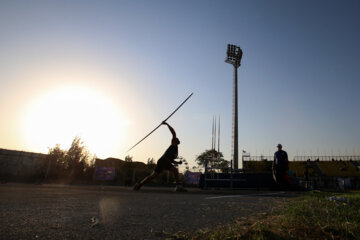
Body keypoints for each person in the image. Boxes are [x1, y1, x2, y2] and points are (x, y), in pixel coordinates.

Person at [133, 121, 187, 192]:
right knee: (154, 176)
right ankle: (139, 185)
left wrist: (178, 162)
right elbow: (173, 133)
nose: (178, 139)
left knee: (172, 171)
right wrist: (167, 124)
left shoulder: (176, 150)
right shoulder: (173, 144)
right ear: (174, 141)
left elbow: (171, 160)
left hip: (166, 162)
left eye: (178, 139)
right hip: (163, 161)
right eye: (177, 139)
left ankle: (139, 185)